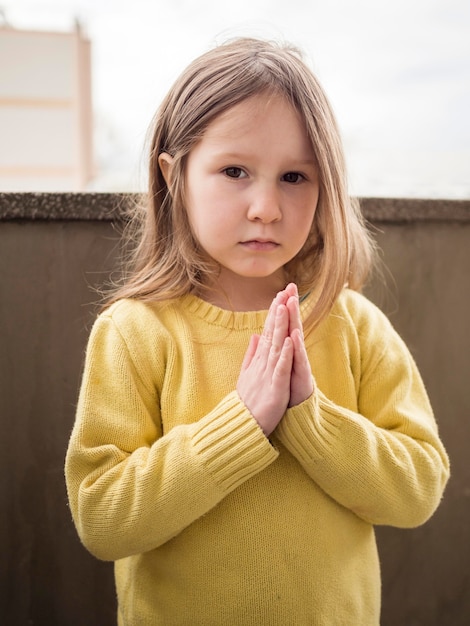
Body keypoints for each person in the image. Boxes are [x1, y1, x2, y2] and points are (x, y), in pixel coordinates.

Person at [65, 37, 449, 625]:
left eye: (295, 176)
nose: (266, 206)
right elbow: (102, 517)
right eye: (235, 171)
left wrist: (309, 419)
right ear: (175, 176)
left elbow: (419, 488)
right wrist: (241, 424)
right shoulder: (136, 332)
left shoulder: (353, 324)